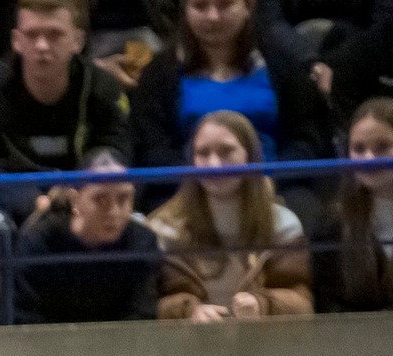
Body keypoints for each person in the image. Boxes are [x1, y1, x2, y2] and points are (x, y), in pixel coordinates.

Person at [0, 0, 131, 220]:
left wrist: (84, 194)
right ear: (16, 41)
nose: (42, 46)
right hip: (13, 212)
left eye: (54, 35)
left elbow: (116, 153)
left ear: (77, 41)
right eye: (31, 35)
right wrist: (34, 202)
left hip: (92, 207)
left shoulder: (104, 89)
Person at [130, 0, 330, 182]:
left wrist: (267, 179)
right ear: (186, 11)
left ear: (248, 7)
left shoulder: (283, 66)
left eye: (224, 5)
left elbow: (307, 138)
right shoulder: (158, 74)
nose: (213, 16)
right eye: (200, 6)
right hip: (184, 190)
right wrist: (202, 183)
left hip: (277, 187)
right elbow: (152, 149)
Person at [149, 108, 312, 321]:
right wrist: (188, 312)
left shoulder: (283, 224)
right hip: (191, 348)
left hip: (263, 346)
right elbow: (151, 304)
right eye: (203, 153)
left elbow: (303, 305)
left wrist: (263, 306)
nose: (214, 165)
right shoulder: (165, 229)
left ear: (250, 156)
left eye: (226, 151)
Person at [10, 147, 161, 322]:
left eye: (123, 199)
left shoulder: (142, 242)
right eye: (100, 199)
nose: (114, 212)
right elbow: (25, 319)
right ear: (75, 200)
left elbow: (142, 318)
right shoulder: (39, 242)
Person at [313, 98, 393, 311]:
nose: (369, 158)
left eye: (382, 147)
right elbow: (329, 306)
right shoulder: (332, 223)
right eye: (358, 149)